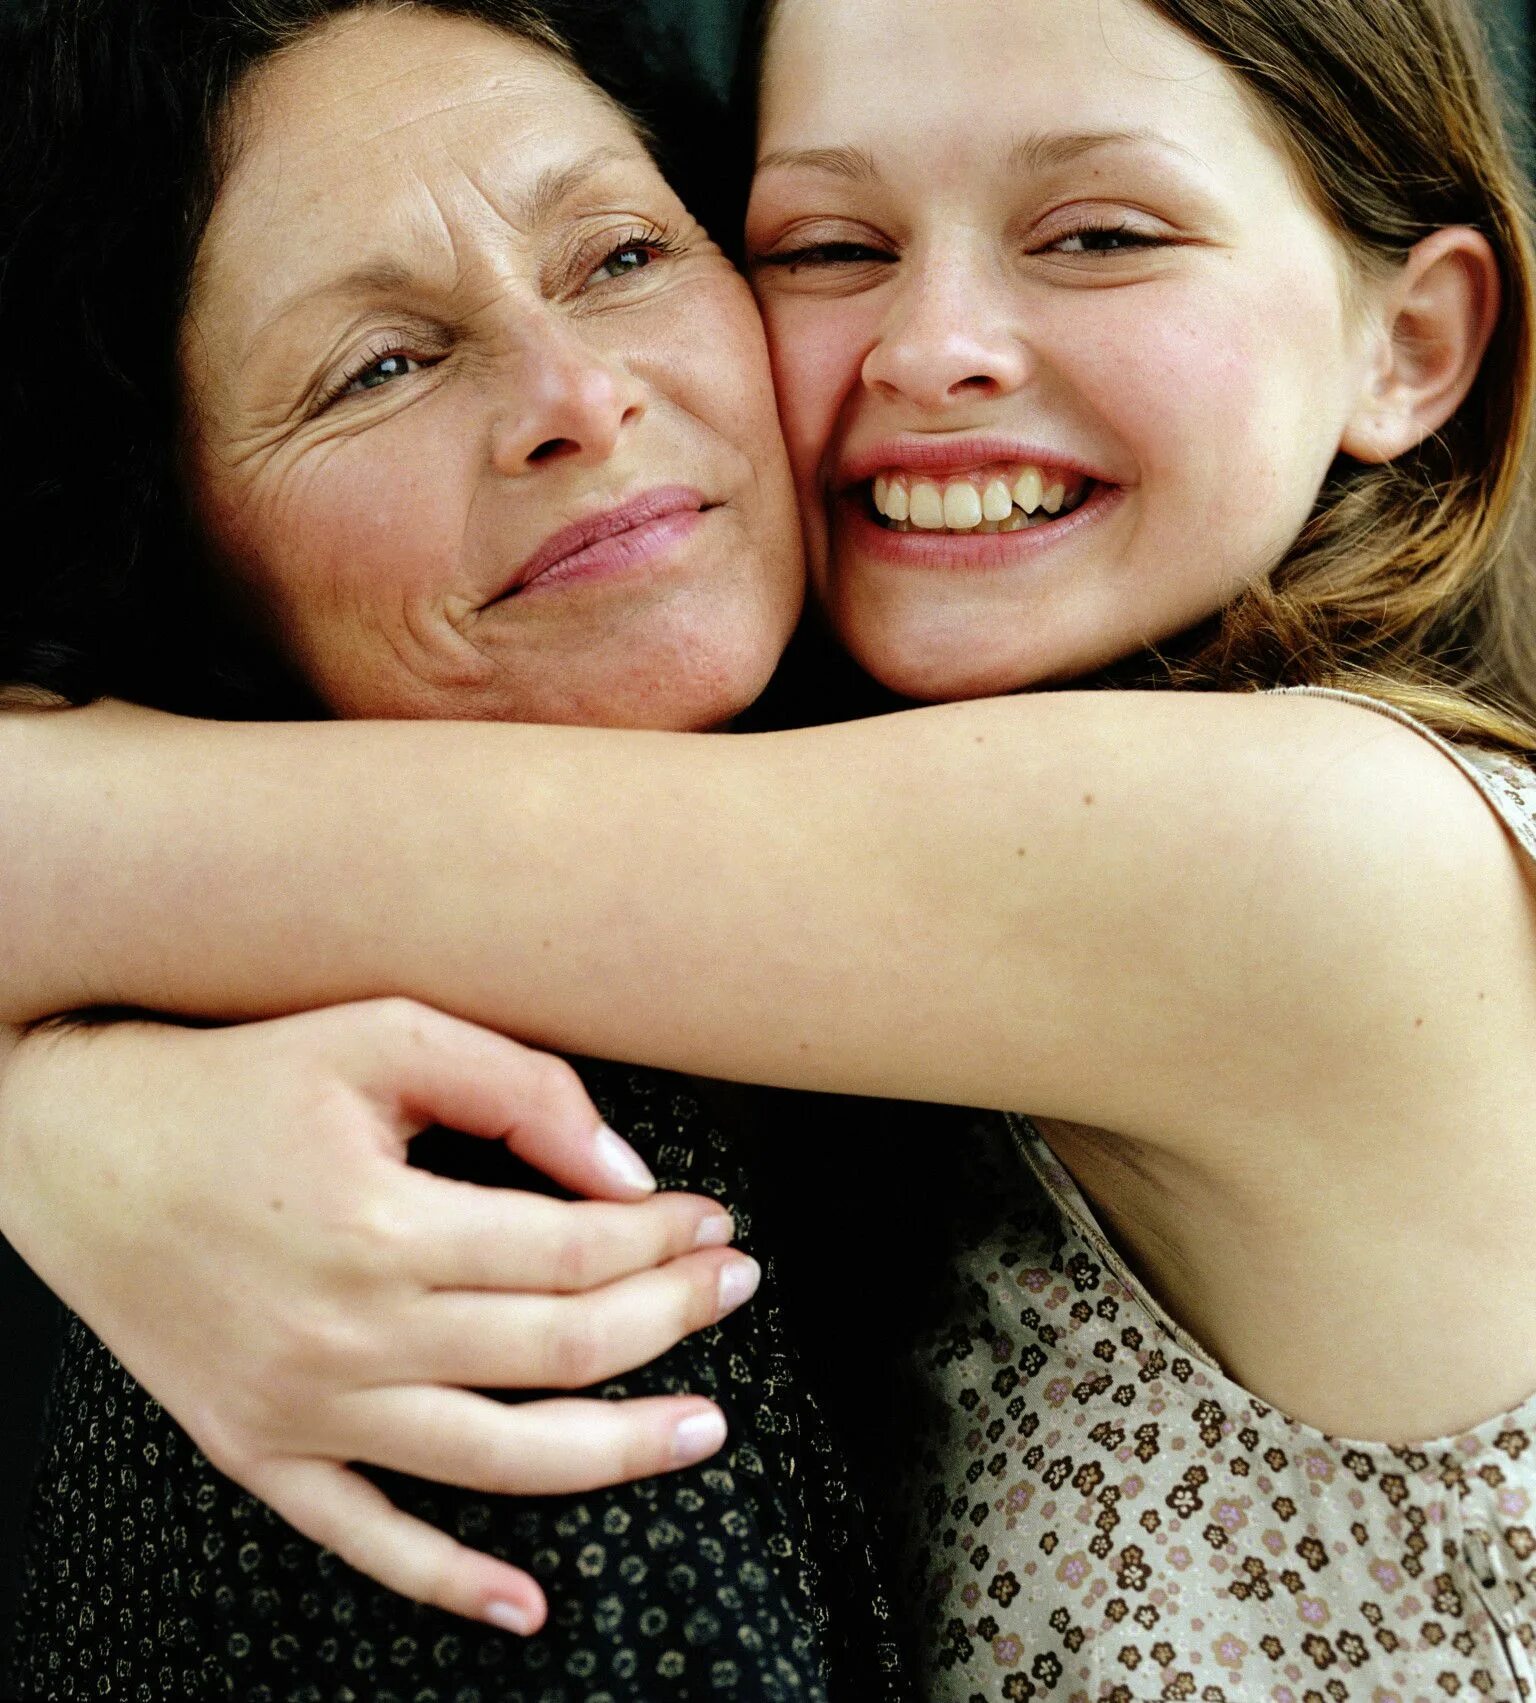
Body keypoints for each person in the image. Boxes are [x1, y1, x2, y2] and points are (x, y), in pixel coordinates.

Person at [5, 0, 1536, 1694]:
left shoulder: (1325, 852)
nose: (927, 346)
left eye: (1100, 234)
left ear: (1411, 345)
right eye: (826, 243)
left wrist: (60, 1118)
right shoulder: (814, 877)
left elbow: (48, 845)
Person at [0, 3, 913, 1699]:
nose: (576, 396)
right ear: (172, 543)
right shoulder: (458, 1230)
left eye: (625, 253)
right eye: (383, 367)